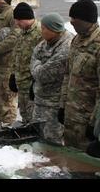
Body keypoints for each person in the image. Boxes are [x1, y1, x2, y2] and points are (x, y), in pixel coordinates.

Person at [60, 0, 100, 151]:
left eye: (74, 19)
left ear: (86, 20)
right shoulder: (76, 40)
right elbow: (67, 75)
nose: (71, 22)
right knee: (71, 160)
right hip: (71, 118)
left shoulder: (99, 44)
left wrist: (95, 123)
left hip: (88, 121)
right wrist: (62, 106)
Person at [30, 13, 73, 145]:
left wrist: (37, 66)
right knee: (38, 139)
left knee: (52, 144)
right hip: (40, 100)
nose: (41, 31)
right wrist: (38, 66)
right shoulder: (47, 42)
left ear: (54, 29)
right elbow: (34, 56)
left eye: (44, 28)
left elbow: (42, 74)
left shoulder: (66, 46)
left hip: (53, 106)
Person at [10, 2, 42, 123]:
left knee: (33, 120)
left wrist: (35, 84)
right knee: (24, 116)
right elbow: (16, 55)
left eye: (18, 20)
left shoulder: (40, 33)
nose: (17, 23)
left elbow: (43, 60)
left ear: (26, 18)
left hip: (32, 86)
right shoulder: (21, 33)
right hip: (21, 85)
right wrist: (13, 75)